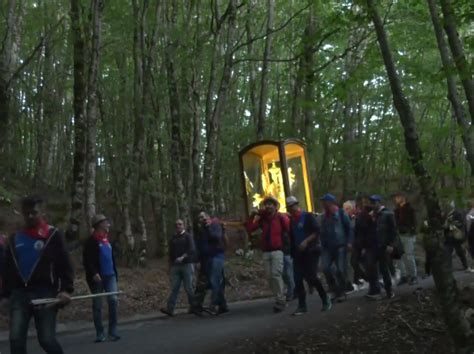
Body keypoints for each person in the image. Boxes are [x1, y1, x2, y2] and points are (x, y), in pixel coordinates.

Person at [0, 196, 73, 354]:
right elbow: (7, 270)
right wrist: (4, 296)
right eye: (27, 213)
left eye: (34, 212)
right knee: (15, 339)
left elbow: (65, 264)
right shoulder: (15, 238)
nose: (31, 216)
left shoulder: (53, 235)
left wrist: (66, 289)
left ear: (42, 212)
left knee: (46, 339)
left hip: (45, 292)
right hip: (19, 294)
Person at [286, 196, 331, 315]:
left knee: (312, 277)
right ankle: (302, 306)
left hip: (310, 251)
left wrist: (306, 241)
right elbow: (291, 236)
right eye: (289, 207)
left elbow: (316, 231)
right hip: (297, 254)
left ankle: (325, 298)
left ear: (297, 205)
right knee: (297, 279)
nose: (292, 209)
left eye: (293, 206)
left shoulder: (307, 216)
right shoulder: (292, 221)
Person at [246, 196, 290, 312]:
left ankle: (281, 299)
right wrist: (252, 216)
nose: (268, 206)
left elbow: (288, 229)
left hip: (277, 250)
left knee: (276, 274)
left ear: (275, 206)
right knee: (270, 277)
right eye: (266, 204)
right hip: (266, 252)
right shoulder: (262, 219)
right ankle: (278, 297)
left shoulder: (280, 217)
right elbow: (250, 228)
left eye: (271, 204)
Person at [83, 214, 120, 342]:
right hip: (97, 278)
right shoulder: (91, 241)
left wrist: (115, 272)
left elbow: (110, 258)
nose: (108, 224)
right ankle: (100, 333)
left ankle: (113, 331)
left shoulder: (107, 239)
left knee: (113, 300)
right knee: (97, 305)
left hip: (110, 276)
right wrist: (94, 273)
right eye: (106, 222)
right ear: (99, 224)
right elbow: (88, 260)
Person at [193, 211, 229, 315]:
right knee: (214, 282)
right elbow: (200, 247)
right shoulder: (201, 230)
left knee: (214, 281)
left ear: (209, 217)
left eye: (204, 217)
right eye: (200, 218)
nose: (203, 219)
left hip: (217, 256)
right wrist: (198, 261)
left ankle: (214, 305)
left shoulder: (215, 225)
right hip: (206, 259)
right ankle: (223, 306)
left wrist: (208, 228)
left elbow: (216, 237)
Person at [319, 193, 353, 302]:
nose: (323, 204)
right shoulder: (323, 217)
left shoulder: (341, 214)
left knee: (340, 269)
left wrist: (349, 242)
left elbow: (349, 229)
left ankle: (341, 292)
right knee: (326, 268)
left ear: (330, 202)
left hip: (340, 246)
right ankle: (334, 290)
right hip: (327, 247)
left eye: (325, 201)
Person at [161, 219, 196, 317]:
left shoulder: (188, 236)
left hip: (187, 265)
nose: (178, 226)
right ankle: (170, 309)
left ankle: (193, 306)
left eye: (180, 224)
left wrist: (183, 257)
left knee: (189, 287)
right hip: (175, 266)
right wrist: (169, 266)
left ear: (183, 225)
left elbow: (191, 249)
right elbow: (170, 253)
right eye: (176, 225)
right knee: (174, 288)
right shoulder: (173, 238)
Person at [365, 195, 396, 299]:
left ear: (379, 203)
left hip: (383, 245)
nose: (372, 205)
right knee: (370, 266)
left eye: (374, 203)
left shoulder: (387, 214)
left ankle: (389, 290)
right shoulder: (372, 215)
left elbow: (393, 231)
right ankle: (375, 289)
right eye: (371, 203)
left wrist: (391, 244)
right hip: (373, 245)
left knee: (384, 269)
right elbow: (369, 230)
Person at [394, 193, 418, 285]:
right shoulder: (396, 210)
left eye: (398, 197)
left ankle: (413, 275)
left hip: (408, 235)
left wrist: (411, 231)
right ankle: (404, 275)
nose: (396, 199)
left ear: (403, 198)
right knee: (399, 256)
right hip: (399, 234)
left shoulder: (410, 210)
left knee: (409, 255)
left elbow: (414, 222)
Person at [444, 202, 472, 272]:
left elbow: (460, 225)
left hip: (456, 236)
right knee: (448, 251)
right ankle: (449, 268)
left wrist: (449, 226)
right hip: (449, 237)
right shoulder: (446, 214)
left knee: (460, 251)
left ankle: (466, 266)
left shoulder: (458, 213)